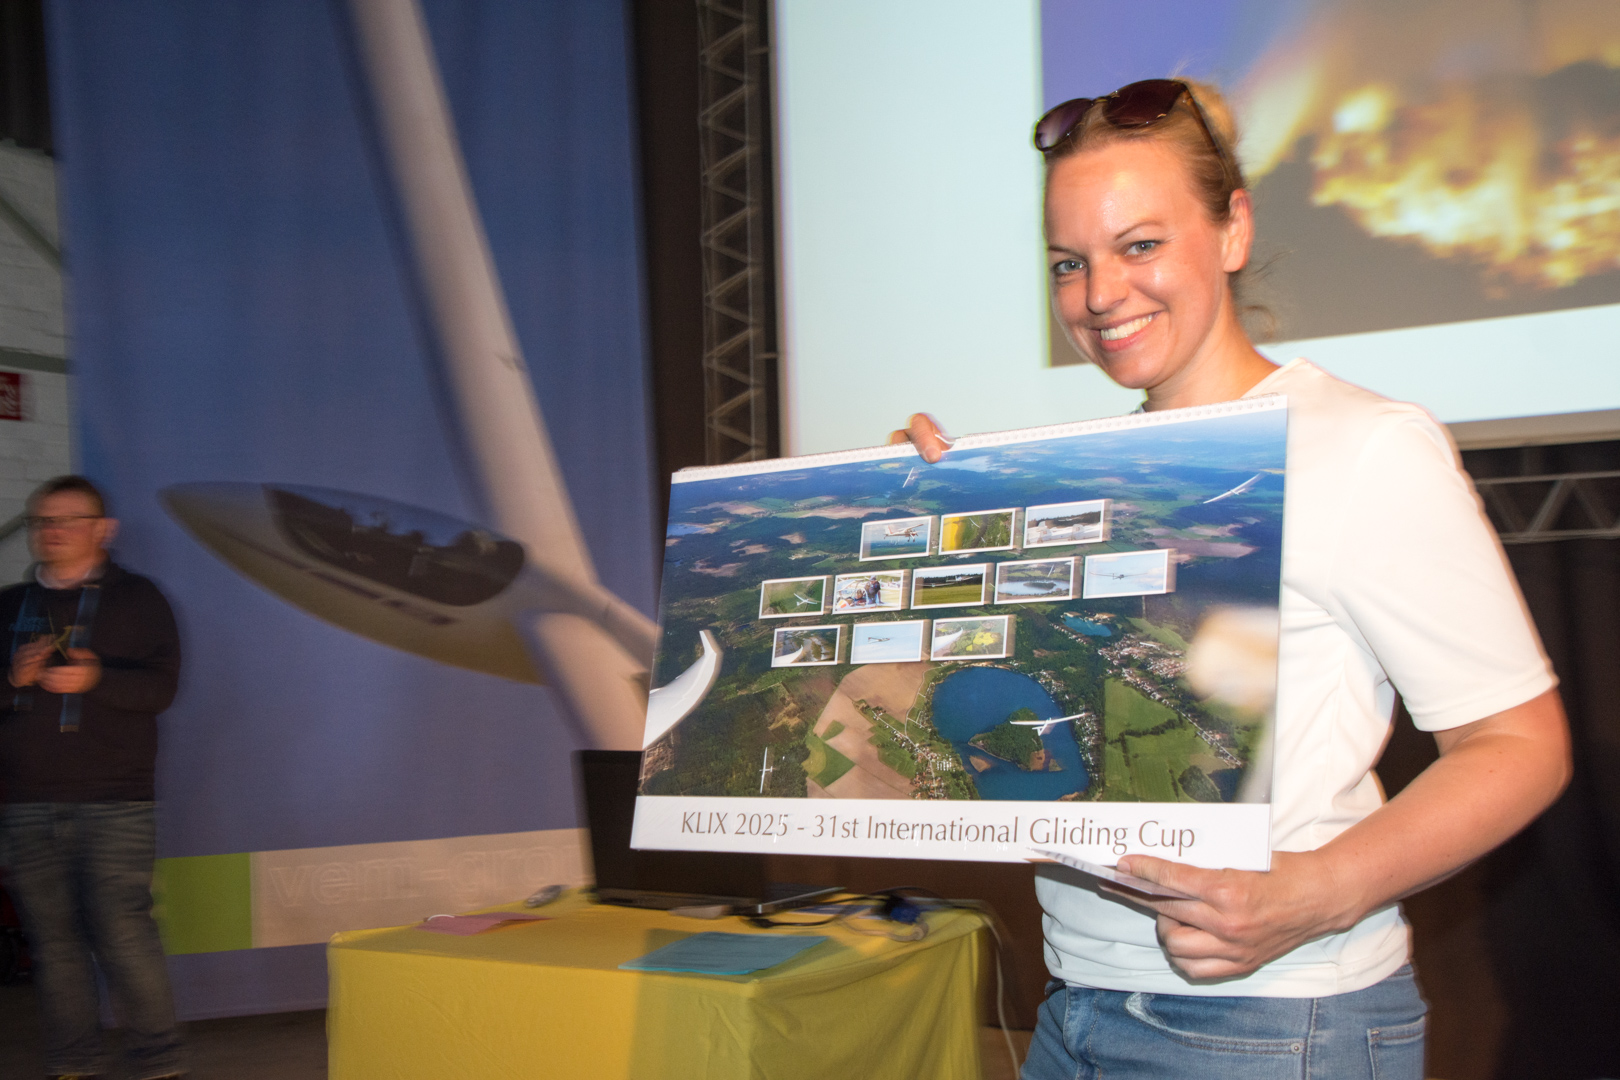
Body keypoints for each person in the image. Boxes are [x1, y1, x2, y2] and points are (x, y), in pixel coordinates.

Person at [893, 79, 1571, 1078]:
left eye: (1140, 245)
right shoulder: (1080, 480)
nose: (1099, 294)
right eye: (1069, 262)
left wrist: (1316, 892)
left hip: (1274, 1022)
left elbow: (1519, 744)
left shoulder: (1362, 445)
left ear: (1233, 230)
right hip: (1075, 1008)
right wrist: (894, 526)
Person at [0, 475, 183, 1080]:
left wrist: (96, 678)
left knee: (124, 935)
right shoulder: (8, 606)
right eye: (42, 521)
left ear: (104, 530)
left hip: (116, 800)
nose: (53, 531)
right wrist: (13, 681)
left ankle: (159, 1061)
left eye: (68, 520)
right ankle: (73, 1062)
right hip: (28, 801)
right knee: (53, 944)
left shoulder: (140, 599)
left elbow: (161, 689)